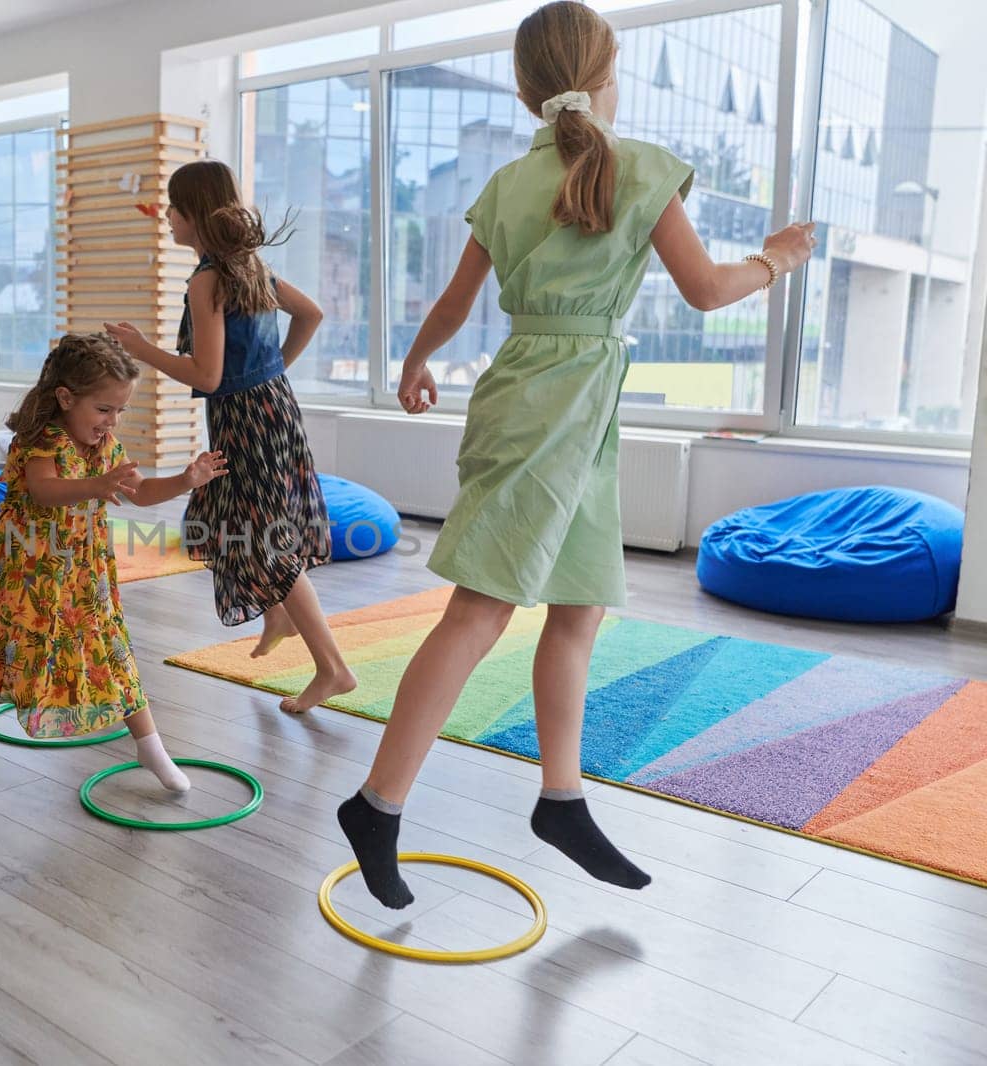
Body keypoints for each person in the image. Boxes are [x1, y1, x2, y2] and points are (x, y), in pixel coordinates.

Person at [337, 0, 817, 908]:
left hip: (562, 400)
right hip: (551, 407)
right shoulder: (641, 168)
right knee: (478, 612)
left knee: (579, 606)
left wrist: (414, 359)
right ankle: (377, 802)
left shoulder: (511, 184)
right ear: (606, 76)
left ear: (526, 92)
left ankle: (561, 800)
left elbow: (452, 303)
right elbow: (710, 291)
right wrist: (778, 258)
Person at [0, 333, 227, 799]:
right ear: (66, 398)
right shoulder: (42, 439)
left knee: (115, 656)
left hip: (84, 578)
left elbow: (141, 492)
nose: (113, 421)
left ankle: (152, 749)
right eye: (104, 409)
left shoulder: (106, 445)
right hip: (24, 576)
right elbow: (44, 490)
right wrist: (97, 484)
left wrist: (187, 480)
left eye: (120, 411)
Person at [105, 159, 355, 714]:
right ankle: (278, 615)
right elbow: (310, 315)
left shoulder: (208, 279)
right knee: (224, 520)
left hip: (246, 420)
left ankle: (333, 668)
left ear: (192, 213)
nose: (167, 217)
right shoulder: (249, 267)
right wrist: (272, 372)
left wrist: (141, 349)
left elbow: (208, 376)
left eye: (173, 208)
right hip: (272, 408)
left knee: (262, 537)